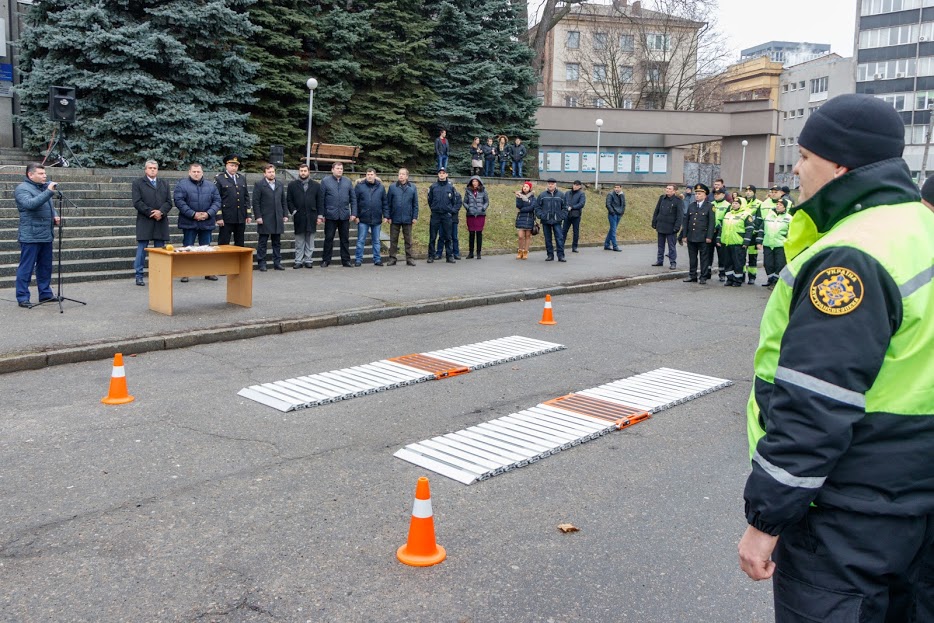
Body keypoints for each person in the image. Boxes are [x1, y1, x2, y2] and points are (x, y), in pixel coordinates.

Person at [737, 93, 934, 622]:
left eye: (804, 157)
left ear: (839, 163)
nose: (796, 170)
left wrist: (766, 520)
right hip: (914, 496)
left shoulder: (854, 254)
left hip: (848, 512)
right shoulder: (922, 228)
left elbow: (816, 403)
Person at [14, 163, 59, 307]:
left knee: (45, 266)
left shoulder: (44, 188)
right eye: (40, 173)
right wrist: (48, 192)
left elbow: (49, 207)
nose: (44, 176)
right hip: (30, 236)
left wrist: (55, 216)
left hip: (46, 234)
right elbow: (30, 204)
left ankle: (45, 294)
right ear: (30, 175)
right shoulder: (22, 189)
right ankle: (22, 297)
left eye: (44, 173)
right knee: (26, 267)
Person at [174, 162, 220, 282]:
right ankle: (185, 273)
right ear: (189, 172)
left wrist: (208, 213)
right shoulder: (182, 185)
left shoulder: (211, 186)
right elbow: (179, 201)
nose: (196, 174)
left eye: (198, 171)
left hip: (206, 221)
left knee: (206, 249)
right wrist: (193, 214)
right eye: (194, 171)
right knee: (187, 248)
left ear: (202, 172)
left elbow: (217, 202)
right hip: (189, 222)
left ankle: (208, 272)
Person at [131, 159, 171, 286]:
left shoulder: (164, 183)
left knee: (160, 249)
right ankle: (139, 275)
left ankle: (159, 274)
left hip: (161, 220)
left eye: (155, 168)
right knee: (142, 249)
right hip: (145, 220)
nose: (153, 170)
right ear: (145, 169)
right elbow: (137, 202)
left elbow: (169, 202)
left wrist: (161, 212)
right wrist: (151, 212)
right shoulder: (137, 183)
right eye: (150, 168)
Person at [318, 162, 357, 268]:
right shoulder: (325, 181)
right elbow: (321, 199)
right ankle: (326, 260)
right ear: (332, 170)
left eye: (341, 168)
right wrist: (321, 215)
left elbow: (353, 199)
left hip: (344, 215)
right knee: (328, 238)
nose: (340, 170)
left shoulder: (348, 181)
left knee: (345, 239)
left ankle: (346, 260)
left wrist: (353, 213)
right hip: (330, 215)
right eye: (338, 168)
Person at [251, 164, 288, 271]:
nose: (272, 174)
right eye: (269, 172)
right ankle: (261, 263)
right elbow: (256, 202)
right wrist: (258, 216)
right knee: (263, 242)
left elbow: (283, 201)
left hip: (277, 217)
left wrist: (285, 214)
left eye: (273, 172)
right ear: (264, 173)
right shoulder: (259, 184)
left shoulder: (279, 184)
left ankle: (277, 262)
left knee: (277, 242)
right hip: (265, 217)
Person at [678, 183, 715, 284]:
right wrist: (684, 235)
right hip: (692, 236)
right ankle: (692, 275)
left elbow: (712, 223)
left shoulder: (710, 206)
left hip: (703, 237)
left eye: (699, 194)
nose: (697, 195)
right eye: (696, 193)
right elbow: (686, 222)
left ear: (705, 195)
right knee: (692, 258)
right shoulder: (691, 206)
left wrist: (709, 236)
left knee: (704, 258)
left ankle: (703, 276)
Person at [286, 163, 321, 269]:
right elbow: (289, 200)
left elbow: (319, 201)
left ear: (308, 172)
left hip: (312, 215)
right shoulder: (292, 185)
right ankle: (298, 261)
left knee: (310, 240)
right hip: (299, 216)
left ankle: (308, 260)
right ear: (299, 172)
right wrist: (293, 211)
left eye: (305, 171)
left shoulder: (316, 185)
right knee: (299, 240)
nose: (303, 173)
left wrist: (319, 215)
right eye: (301, 171)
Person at [384, 168, 418, 266]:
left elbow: (415, 204)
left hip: (408, 218)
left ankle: (409, 258)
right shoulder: (392, 187)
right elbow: (388, 203)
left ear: (407, 176)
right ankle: (392, 258)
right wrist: (388, 216)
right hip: (395, 218)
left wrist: (414, 216)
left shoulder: (412, 187)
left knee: (408, 240)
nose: (401, 176)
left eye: (403, 174)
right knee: (393, 240)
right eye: (399, 174)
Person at [214, 154, 251, 247]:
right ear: (226, 165)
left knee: (240, 243)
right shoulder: (220, 178)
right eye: (232, 165)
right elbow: (216, 199)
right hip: (226, 217)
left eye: (236, 166)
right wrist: (219, 216)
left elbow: (246, 197)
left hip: (240, 216)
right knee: (224, 242)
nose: (234, 168)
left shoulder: (241, 178)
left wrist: (248, 214)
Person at [716, 197, 752, 287]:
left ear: (741, 204)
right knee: (728, 262)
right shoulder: (728, 214)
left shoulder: (746, 215)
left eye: (736, 203)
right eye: (733, 203)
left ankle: (738, 280)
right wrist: (719, 238)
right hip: (727, 242)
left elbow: (749, 230)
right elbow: (722, 228)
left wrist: (746, 242)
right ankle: (729, 279)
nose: (734, 205)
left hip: (738, 243)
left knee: (738, 262)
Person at [353, 168, 386, 267]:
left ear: (375, 175)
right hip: (363, 218)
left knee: (376, 241)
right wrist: (356, 215)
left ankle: (377, 259)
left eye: (371, 174)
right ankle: (358, 259)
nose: (370, 176)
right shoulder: (359, 187)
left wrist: (386, 215)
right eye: (368, 174)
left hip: (377, 218)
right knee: (361, 240)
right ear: (365, 175)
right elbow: (355, 202)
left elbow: (385, 202)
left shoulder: (381, 187)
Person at [426, 167, 458, 263]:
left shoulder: (451, 187)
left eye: (443, 173)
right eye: (440, 173)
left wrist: (450, 210)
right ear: (438, 175)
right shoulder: (433, 187)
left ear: (446, 175)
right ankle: (431, 255)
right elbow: (430, 200)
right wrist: (434, 208)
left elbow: (454, 201)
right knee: (432, 236)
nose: (441, 174)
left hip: (446, 215)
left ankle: (449, 256)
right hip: (435, 214)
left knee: (448, 236)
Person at [759, 195, 792, 288]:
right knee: (768, 264)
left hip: (781, 244)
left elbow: (791, 232)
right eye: (777, 204)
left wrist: (788, 242)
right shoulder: (769, 216)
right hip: (768, 243)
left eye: (781, 205)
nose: (778, 206)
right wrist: (759, 241)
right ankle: (770, 279)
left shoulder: (789, 218)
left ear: (785, 207)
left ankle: (776, 282)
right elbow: (762, 229)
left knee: (779, 264)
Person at [534, 178, 567, 262]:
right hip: (546, 220)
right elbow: (537, 207)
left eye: (552, 184)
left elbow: (565, 207)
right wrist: (541, 216)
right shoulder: (542, 195)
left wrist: (561, 216)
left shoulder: (561, 195)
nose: (550, 185)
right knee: (548, 239)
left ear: (555, 185)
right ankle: (550, 255)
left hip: (557, 221)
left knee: (559, 238)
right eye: (549, 184)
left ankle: (561, 256)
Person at [651, 183, 682, 269]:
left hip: (671, 227)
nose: (667, 190)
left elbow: (679, 216)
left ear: (674, 191)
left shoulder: (678, 201)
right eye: (667, 188)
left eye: (670, 189)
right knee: (660, 245)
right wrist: (654, 222)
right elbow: (657, 210)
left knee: (671, 246)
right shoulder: (662, 198)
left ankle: (673, 262)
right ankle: (659, 261)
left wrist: (677, 227)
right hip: (661, 225)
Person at [463, 176, 489, 259]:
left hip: (480, 215)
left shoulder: (483, 191)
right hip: (470, 214)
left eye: (476, 181)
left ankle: (478, 252)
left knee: (479, 233)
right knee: (471, 233)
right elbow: (465, 202)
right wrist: (468, 208)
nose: (474, 183)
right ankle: (471, 252)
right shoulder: (468, 191)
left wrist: (483, 208)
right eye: (473, 181)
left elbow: (486, 201)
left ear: (479, 182)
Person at [709, 187, 731, 282]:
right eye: (715, 194)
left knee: (721, 254)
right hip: (710, 232)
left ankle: (722, 273)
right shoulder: (710, 204)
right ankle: (707, 272)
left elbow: (727, 218)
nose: (716, 195)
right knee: (708, 253)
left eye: (718, 194)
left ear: (723, 195)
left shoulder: (728, 205)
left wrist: (719, 226)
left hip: (721, 232)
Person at [743, 185, 763, 285]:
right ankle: (741, 275)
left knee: (752, 256)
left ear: (754, 192)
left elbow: (759, 219)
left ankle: (752, 276)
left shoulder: (759, 203)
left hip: (753, 234)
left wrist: (754, 229)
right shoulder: (741, 202)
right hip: (742, 233)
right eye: (746, 191)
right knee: (741, 256)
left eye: (750, 191)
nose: (748, 192)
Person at [562, 180, 586, 253]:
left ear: (580, 186)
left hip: (576, 215)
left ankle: (574, 247)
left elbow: (581, 204)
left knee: (576, 231)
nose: (575, 186)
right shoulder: (567, 193)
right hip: (567, 215)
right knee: (563, 231)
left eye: (577, 185)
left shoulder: (581, 194)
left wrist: (572, 207)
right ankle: (560, 246)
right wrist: (566, 207)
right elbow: (563, 202)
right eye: (574, 185)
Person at [515, 180, 535, 259]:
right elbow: (518, 206)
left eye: (527, 186)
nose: (525, 188)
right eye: (524, 186)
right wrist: (519, 197)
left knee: (527, 236)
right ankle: (520, 251)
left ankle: (525, 252)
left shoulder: (533, 197)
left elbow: (532, 207)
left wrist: (522, 210)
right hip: (521, 218)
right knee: (520, 236)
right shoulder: (519, 196)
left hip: (529, 218)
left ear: (530, 188)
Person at [604, 183, 626, 252]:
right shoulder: (610, 194)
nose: (616, 189)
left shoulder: (622, 195)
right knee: (613, 230)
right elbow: (608, 204)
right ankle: (615, 246)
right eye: (615, 187)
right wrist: (612, 212)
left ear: (620, 188)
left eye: (618, 187)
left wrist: (622, 212)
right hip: (613, 214)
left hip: (619, 214)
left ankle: (606, 245)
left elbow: (623, 204)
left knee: (612, 230)